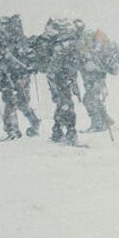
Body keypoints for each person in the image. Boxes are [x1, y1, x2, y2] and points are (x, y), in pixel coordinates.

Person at [40, 17, 85, 146]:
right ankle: (70, 133)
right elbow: (60, 67)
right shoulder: (67, 45)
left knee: (63, 103)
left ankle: (57, 131)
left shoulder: (63, 44)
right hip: (61, 78)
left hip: (59, 78)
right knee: (66, 104)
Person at [79, 28, 119, 131]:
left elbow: (87, 55)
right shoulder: (98, 43)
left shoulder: (94, 43)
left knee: (90, 98)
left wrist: (90, 63)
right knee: (92, 98)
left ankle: (99, 124)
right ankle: (105, 121)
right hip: (94, 75)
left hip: (94, 75)